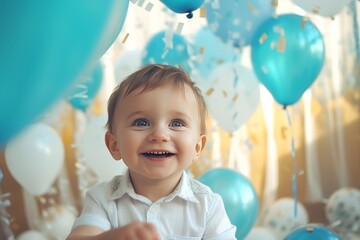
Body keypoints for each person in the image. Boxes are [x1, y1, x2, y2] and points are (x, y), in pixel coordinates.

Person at [66, 64, 236, 240]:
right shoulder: (102, 199)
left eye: (176, 123)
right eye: (141, 123)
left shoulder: (207, 205)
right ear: (114, 145)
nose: (159, 135)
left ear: (197, 147)